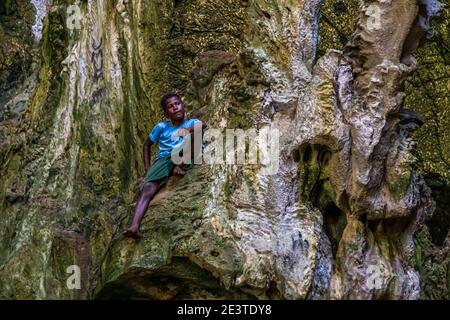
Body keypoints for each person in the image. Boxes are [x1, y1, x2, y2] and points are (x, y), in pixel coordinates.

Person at [123, 93, 206, 238]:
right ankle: (135, 225)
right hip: (164, 159)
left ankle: (179, 166)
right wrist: (148, 169)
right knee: (148, 188)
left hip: (183, 154)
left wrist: (185, 131)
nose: (175, 108)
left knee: (198, 133)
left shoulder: (191, 122)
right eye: (170, 106)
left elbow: (202, 125)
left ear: (183, 105)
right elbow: (146, 146)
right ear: (166, 113)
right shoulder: (161, 127)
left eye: (177, 104)